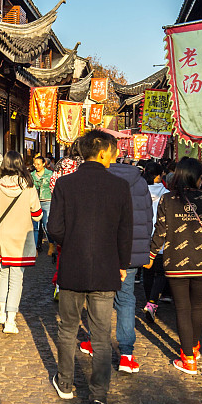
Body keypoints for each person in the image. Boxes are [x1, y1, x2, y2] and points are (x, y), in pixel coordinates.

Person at [48, 130, 132, 404]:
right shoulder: (119, 186)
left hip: (72, 266)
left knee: (68, 329)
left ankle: (65, 382)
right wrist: (122, 263)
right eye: (114, 151)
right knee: (101, 336)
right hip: (106, 268)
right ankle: (98, 400)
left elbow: (54, 229)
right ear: (103, 152)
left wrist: (70, 242)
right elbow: (125, 231)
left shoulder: (65, 184)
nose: (115, 156)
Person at [148, 157, 202, 374]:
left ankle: (188, 358)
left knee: (182, 308)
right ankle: (194, 346)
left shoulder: (167, 199)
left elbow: (160, 231)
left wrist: (151, 254)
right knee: (197, 306)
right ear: (198, 177)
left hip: (176, 261)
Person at [78, 154, 153, 373]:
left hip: (102, 249)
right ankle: (126, 355)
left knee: (99, 297)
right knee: (126, 299)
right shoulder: (140, 183)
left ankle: (94, 341)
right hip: (130, 252)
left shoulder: (101, 180)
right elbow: (148, 218)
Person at [0, 150, 43, 333]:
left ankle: (1, 312)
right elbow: (37, 215)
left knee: (4, 273)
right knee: (16, 278)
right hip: (21, 239)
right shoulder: (28, 186)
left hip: (2, 237)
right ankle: (10, 319)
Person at [139, 160, 170, 318]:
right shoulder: (167, 194)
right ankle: (152, 301)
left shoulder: (140, 191)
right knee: (161, 272)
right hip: (161, 237)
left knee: (147, 272)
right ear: (159, 175)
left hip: (143, 235)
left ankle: (148, 300)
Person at [31, 154, 54, 248]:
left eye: (38, 164)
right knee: (35, 227)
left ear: (43, 164)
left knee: (46, 225)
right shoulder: (32, 175)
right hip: (35, 202)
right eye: (35, 164)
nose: (36, 166)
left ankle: (51, 244)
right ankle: (35, 248)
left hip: (47, 201)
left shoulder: (50, 174)